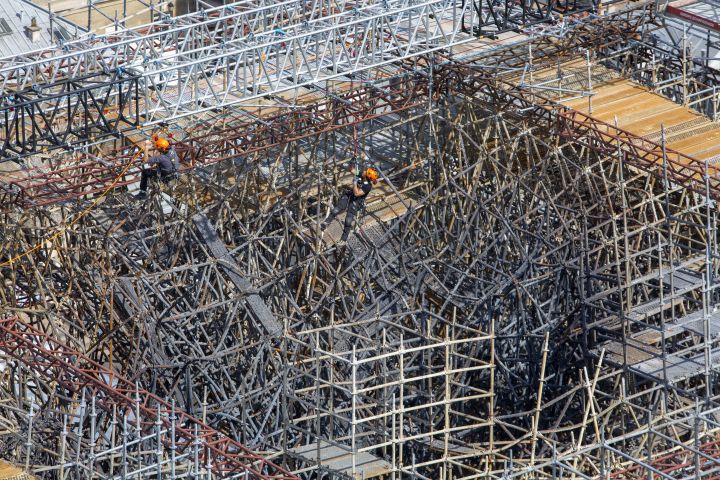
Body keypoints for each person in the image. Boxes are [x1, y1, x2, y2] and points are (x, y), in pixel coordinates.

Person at [321, 166, 379, 244]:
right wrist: (352, 160)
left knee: (348, 220)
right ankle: (326, 223)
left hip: (356, 201)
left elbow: (357, 193)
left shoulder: (368, 186)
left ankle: (343, 239)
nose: (364, 171)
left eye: (366, 171)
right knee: (337, 209)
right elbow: (352, 170)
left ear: (368, 176)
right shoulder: (363, 175)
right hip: (349, 195)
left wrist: (355, 183)